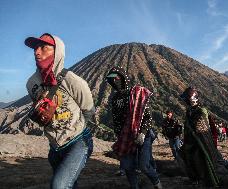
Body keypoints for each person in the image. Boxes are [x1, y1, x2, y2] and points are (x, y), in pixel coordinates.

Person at [25, 33, 94, 188]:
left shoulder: (72, 80)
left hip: (78, 142)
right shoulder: (31, 84)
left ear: (57, 52)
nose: (37, 51)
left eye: (44, 47)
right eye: (36, 48)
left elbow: (89, 109)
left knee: (59, 185)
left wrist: (73, 128)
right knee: (70, 183)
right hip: (54, 148)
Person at [106, 66, 162, 189]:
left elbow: (148, 117)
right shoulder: (115, 98)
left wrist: (142, 133)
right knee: (128, 166)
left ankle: (157, 183)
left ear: (123, 77)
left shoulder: (137, 92)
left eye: (117, 78)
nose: (115, 81)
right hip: (126, 136)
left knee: (144, 165)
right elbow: (117, 120)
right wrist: (119, 137)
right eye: (111, 79)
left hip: (143, 134)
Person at [179, 86, 220, 187]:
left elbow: (201, 129)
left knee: (203, 166)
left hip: (201, 145)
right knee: (191, 164)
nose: (185, 103)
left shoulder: (202, 111)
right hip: (191, 144)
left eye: (187, 100)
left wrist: (192, 130)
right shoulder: (190, 111)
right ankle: (196, 181)